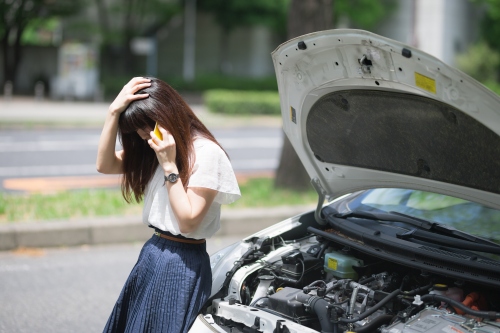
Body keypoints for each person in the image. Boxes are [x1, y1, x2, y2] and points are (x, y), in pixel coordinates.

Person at [96, 77, 241, 332]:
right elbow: (104, 165)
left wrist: (169, 166)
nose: (143, 135)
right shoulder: (157, 148)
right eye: (136, 131)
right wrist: (113, 111)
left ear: (166, 113)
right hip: (153, 253)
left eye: (146, 126)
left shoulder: (207, 154)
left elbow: (188, 220)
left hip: (182, 262)